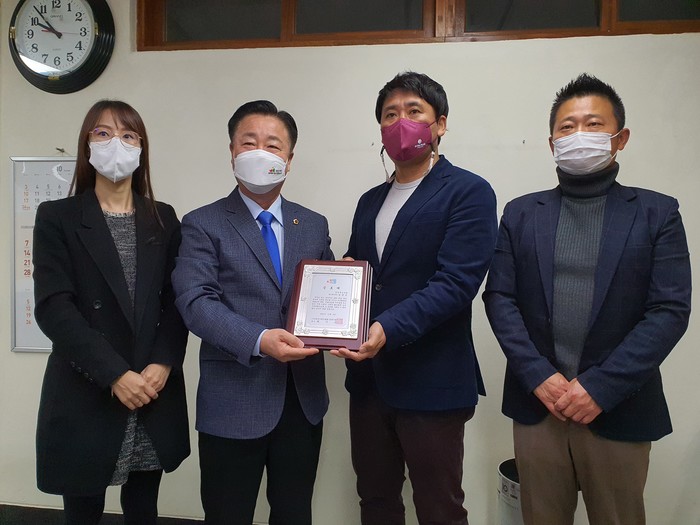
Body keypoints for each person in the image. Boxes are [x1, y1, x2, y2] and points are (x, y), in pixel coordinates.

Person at [483, 73, 692, 525]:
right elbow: (499, 297)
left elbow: (669, 311)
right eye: (567, 126)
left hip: (619, 406)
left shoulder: (658, 212)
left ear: (620, 138)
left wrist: (600, 386)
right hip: (539, 406)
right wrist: (538, 375)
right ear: (552, 143)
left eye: (594, 124)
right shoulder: (520, 213)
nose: (579, 134)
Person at [332, 72, 498, 524]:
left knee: (440, 508)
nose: (400, 122)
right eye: (390, 114)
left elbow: (456, 283)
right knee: (376, 501)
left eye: (413, 111)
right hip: (369, 381)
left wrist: (386, 328)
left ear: (440, 123)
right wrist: (343, 278)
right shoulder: (370, 201)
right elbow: (366, 273)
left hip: (433, 378)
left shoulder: (468, 191)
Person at [172, 100, 334, 525]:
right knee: (227, 515)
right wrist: (260, 340)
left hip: (301, 401)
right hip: (233, 401)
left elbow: (324, 293)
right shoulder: (202, 223)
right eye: (249, 142)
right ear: (232, 152)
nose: (261, 152)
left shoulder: (313, 224)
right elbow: (195, 302)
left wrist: (345, 300)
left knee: (294, 513)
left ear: (289, 159)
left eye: (273, 145)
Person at [33, 100, 190, 525]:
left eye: (128, 135)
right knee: (83, 511)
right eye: (103, 133)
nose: (115, 143)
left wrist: (163, 363)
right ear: (87, 145)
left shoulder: (163, 218)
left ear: (141, 148)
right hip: (88, 388)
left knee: (143, 509)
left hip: (151, 389)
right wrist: (116, 375)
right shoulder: (58, 217)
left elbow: (176, 300)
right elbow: (54, 308)